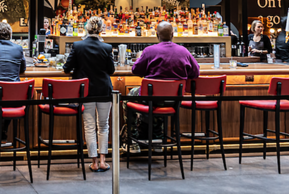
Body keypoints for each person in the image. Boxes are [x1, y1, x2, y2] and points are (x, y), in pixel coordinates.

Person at [125, 21, 200, 151]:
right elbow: (196, 73)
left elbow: (135, 70)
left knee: (129, 97)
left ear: (157, 35)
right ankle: (157, 139)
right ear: (172, 34)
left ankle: (132, 140)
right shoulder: (184, 51)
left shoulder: (149, 51)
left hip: (151, 98)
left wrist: (139, 59)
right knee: (159, 97)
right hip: (174, 100)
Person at [62, 16, 115, 172]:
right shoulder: (107, 47)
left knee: (90, 126)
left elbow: (66, 68)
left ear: (86, 28)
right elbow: (111, 70)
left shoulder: (78, 46)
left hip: (85, 91)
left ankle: (93, 162)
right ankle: (103, 161)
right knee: (104, 126)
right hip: (104, 90)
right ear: (101, 29)